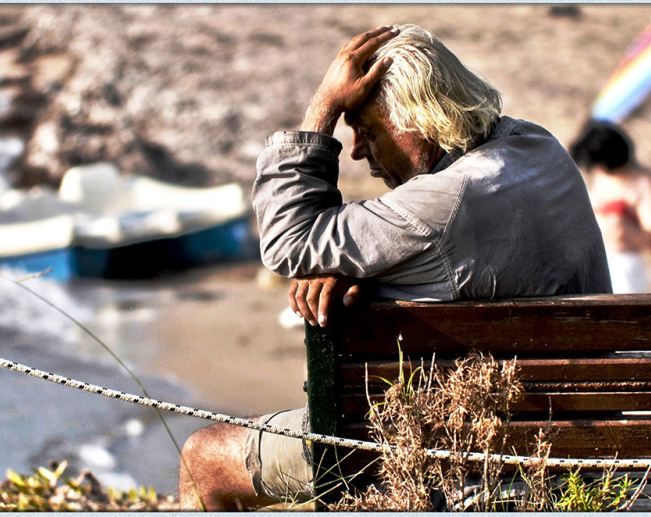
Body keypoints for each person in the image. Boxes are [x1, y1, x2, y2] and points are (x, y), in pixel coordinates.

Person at [178, 24, 611, 511]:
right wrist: (363, 264)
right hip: (589, 444)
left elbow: (286, 242)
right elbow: (459, 252)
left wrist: (322, 107)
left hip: (465, 454)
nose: (359, 152)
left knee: (203, 459)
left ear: (419, 120)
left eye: (367, 133)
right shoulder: (538, 147)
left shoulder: (443, 203)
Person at [569, 120, 651, 293]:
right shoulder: (599, 178)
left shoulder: (642, 182)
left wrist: (623, 227)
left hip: (625, 268)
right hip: (594, 266)